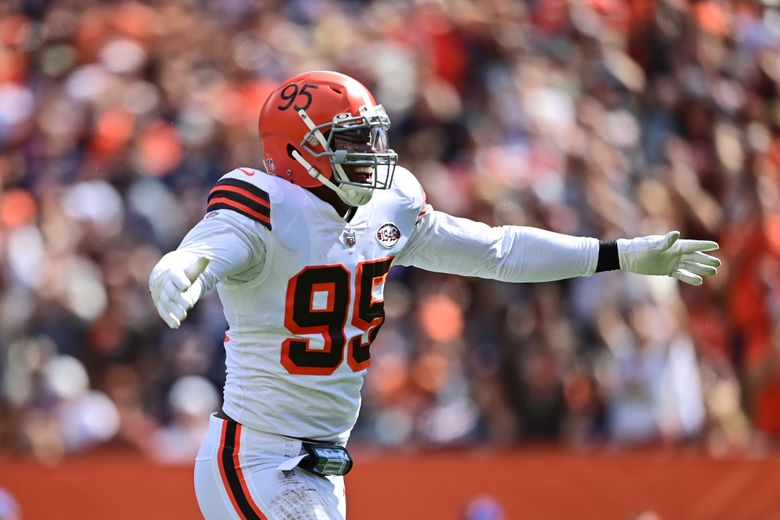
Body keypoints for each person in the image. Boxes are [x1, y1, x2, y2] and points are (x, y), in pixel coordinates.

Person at [148, 70, 720, 519]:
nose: (370, 152)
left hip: (318, 464)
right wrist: (178, 268)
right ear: (296, 153)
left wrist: (618, 254)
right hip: (254, 456)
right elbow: (210, 245)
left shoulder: (388, 205)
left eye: (370, 134)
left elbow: (498, 251)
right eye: (348, 140)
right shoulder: (264, 205)